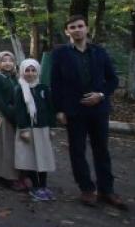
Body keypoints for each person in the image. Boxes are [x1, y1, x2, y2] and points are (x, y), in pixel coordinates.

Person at [51, 14, 123, 208]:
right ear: (67, 32)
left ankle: (107, 190)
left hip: (99, 110)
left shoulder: (99, 52)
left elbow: (113, 80)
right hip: (74, 111)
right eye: (72, 27)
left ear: (87, 28)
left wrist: (100, 94)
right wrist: (58, 110)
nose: (77, 30)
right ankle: (87, 189)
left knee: (102, 150)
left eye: (80, 26)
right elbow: (55, 84)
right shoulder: (60, 54)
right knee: (77, 151)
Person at [14, 59, 57, 201]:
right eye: (27, 70)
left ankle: (44, 186)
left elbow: (51, 109)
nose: (30, 73)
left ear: (37, 71)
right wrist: (23, 129)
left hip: (42, 129)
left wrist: (52, 127)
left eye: (33, 70)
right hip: (28, 130)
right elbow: (20, 111)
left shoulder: (43, 88)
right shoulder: (19, 89)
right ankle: (35, 187)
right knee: (31, 159)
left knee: (43, 158)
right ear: (22, 72)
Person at [0, 51, 24, 190]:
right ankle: (8, 176)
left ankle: (18, 174)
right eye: (4, 60)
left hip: (16, 114)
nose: (8, 63)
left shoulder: (16, 77)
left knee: (16, 147)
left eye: (10, 60)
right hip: (4, 115)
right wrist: (11, 115)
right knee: (6, 146)